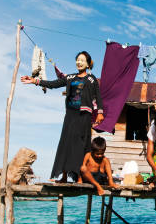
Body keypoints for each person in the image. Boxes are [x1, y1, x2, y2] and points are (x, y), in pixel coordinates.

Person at [21, 51, 104, 182]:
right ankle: (64, 176)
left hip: (84, 116)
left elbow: (98, 96)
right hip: (70, 115)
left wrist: (100, 112)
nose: (79, 62)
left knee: (82, 145)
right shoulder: (70, 77)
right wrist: (35, 81)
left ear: (88, 64)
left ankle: (80, 176)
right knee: (66, 144)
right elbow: (54, 84)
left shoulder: (91, 79)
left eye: (82, 60)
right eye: (77, 59)